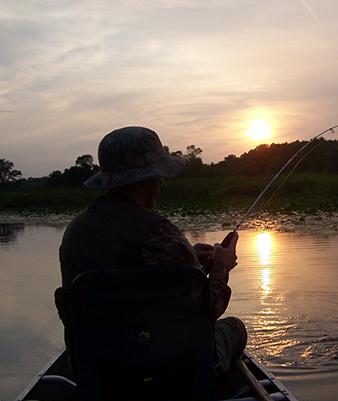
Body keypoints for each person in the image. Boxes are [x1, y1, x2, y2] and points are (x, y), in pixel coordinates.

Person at [57, 126, 246, 375]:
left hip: (98, 370)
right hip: (168, 367)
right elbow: (207, 311)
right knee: (235, 328)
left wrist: (191, 259)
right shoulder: (158, 233)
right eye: (159, 176)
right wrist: (221, 265)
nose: (161, 181)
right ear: (148, 178)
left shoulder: (75, 232)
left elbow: (129, 269)